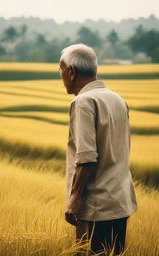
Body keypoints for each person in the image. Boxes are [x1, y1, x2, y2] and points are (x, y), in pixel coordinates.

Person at [59, 44, 138, 256]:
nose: (61, 76)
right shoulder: (117, 99)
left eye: (62, 70)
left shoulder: (83, 102)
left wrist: (74, 201)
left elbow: (86, 159)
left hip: (96, 206)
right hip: (120, 202)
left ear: (72, 72)